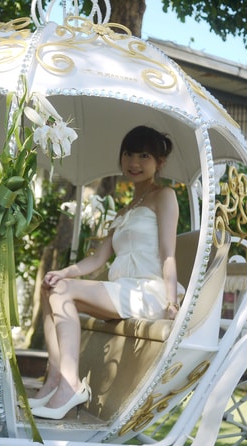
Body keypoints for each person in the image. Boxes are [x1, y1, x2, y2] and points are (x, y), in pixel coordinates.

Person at [30, 125, 185, 420]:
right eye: (128, 154)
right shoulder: (125, 211)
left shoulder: (164, 196)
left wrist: (171, 301)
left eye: (144, 156)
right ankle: (55, 380)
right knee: (50, 287)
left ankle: (70, 385)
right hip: (124, 290)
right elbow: (98, 259)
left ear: (159, 162)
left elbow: (168, 253)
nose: (134, 162)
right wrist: (62, 272)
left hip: (148, 292)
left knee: (62, 290)